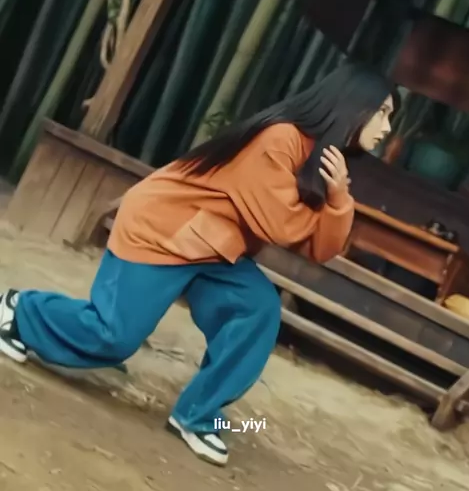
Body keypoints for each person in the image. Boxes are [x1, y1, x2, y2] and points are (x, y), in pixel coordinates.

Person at [0, 62, 396, 466]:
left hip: (214, 246)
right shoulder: (280, 139)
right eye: (382, 112)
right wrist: (337, 201)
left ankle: (198, 415)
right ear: (352, 104)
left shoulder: (323, 157)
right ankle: (18, 311)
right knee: (113, 337)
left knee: (257, 309)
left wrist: (337, 199)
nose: (386, 127)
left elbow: (320, 249)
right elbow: (282, 226)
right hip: (166, 230)